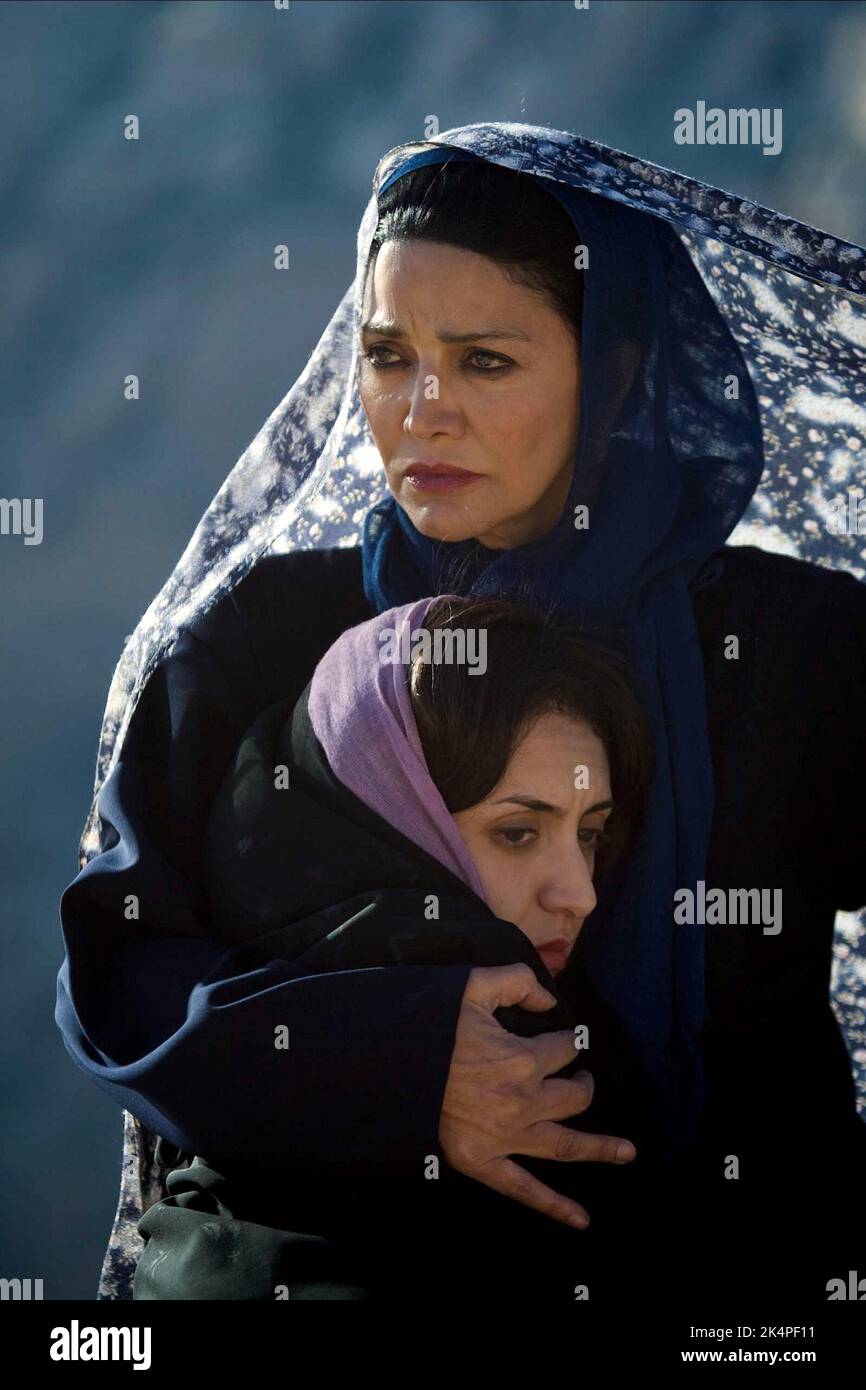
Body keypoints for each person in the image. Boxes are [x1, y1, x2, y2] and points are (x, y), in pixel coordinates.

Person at [55, 122, 866, 1311]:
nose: (420, 412)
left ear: (620, 363)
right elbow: (118, 971)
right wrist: (388, 1062)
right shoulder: (265, 637)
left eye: (483, 362)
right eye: (388, 356)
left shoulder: (784, 649)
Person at [133, 592, 663, 1301]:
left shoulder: (588, 1050)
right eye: (517, 833)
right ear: (383, 828)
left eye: (589, 834)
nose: (580, 894)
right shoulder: (251, 1221)